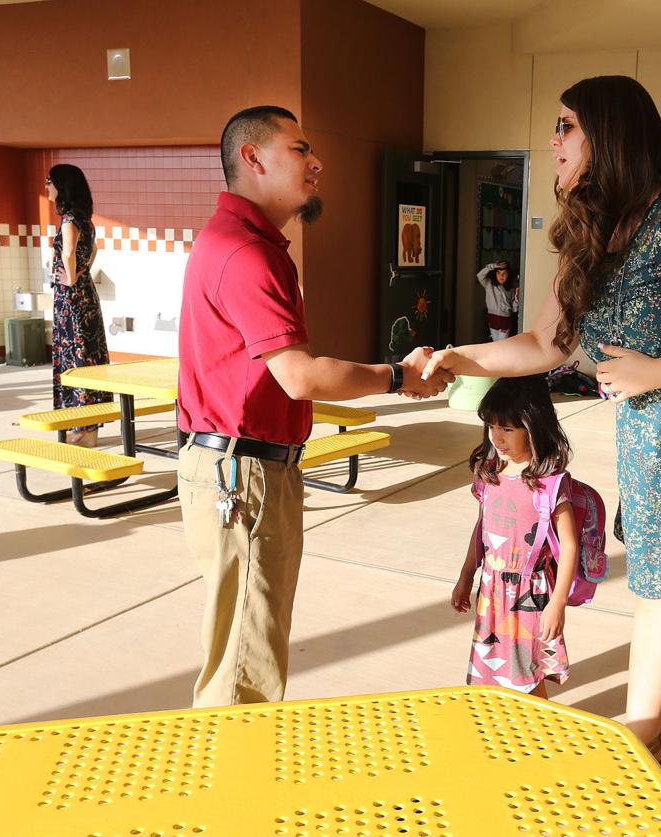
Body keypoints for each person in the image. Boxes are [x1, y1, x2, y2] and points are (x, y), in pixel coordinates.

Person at [423, 76, 661, 837]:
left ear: (611, 134)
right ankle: (642, 736)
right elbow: (544, 344)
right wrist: (453, 358)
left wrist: (647, 374)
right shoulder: (592, 236)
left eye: (566, 126)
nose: (555, 141)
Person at [178, 105, 451, 709]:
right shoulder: (243, 252)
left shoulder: (245, 244)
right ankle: (233, 792)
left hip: (246, 468)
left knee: (245, 650)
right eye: (300, 149)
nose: (316, 162)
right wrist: (398, 377)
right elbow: (300, 377)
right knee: (242, 673)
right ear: (252, 158)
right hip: (242, 474)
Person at [451, 375, 579, 699]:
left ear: (534, 426)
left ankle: (535, 733)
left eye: (508, 429)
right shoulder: (489, 473)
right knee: (490, 668)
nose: (497, 436)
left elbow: (570, 545)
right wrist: (467, 575)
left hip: (529, 595)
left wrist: (558, 602)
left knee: (526, 674)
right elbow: (481, 528)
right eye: (492, 426)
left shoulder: (549, 483)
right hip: (491, 589)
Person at [46, 164, 111, 447]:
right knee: (88, 354)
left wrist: (71, 277)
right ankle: (88, 428)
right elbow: (92, 250)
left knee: (76, 357)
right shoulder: (84, 219)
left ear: (63, 186)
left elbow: (69, 251)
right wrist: (82, 271)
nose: (46, 187)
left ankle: (80, 426)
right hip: (84, 296)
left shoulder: (69, 219)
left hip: (70, 300)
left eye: (50, 182)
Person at [476, 259, 519, 341]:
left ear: (508, 274)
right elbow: (479, 275)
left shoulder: (511, 289)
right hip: (493, 320)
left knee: (501, 345)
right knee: (495, 344)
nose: (501, 276)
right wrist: (494, 266)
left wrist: (517, 299)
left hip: (505, 321)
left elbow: (514, 309)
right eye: (498, 273)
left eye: (504, 273)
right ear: (495, 273)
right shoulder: (488, 284)